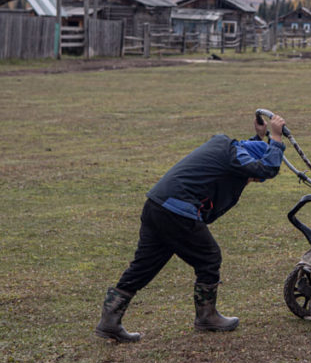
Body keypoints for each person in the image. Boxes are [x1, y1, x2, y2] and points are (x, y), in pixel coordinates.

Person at [95, 112, 287, 343]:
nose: (251, 181)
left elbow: (247, 156)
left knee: (144, 265)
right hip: (177, 211)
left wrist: (260, 136)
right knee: (209, 257)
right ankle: (207, 317)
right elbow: (266, 169)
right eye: (251, 179)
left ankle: (109, 321)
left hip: (156, 206)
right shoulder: (235, 156)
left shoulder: (229, 149)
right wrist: (275, 137)